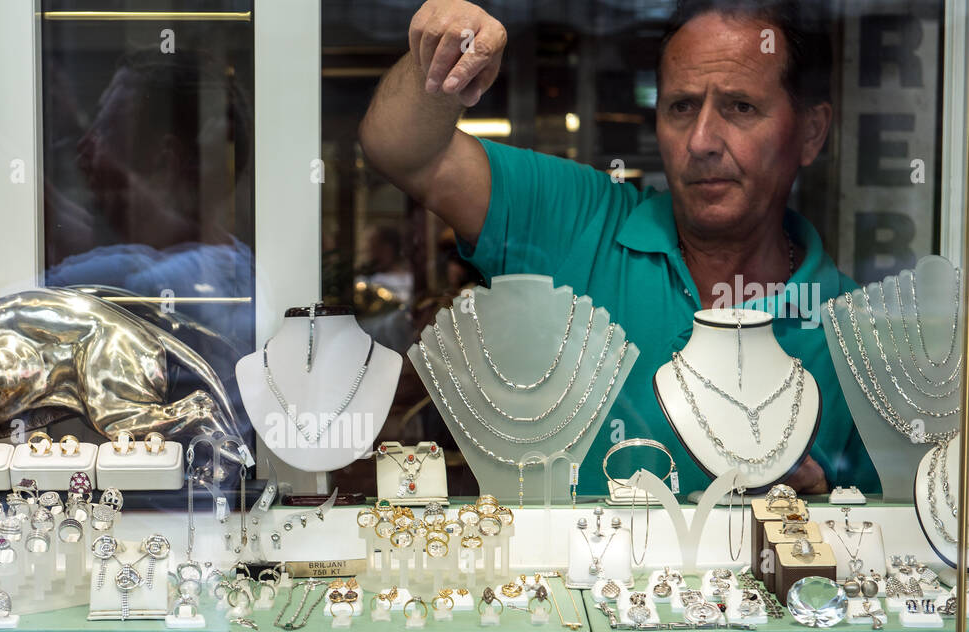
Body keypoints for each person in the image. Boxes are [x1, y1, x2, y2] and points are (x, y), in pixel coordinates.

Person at [359, 0, 878, 496]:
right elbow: (400, 150)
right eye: (680, 106)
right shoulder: (580, 220)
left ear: (810, 133)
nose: (701, 141)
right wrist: (440, 59)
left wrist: (824, 509)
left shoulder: (856, 335)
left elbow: (899, 536)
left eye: (740, 107)